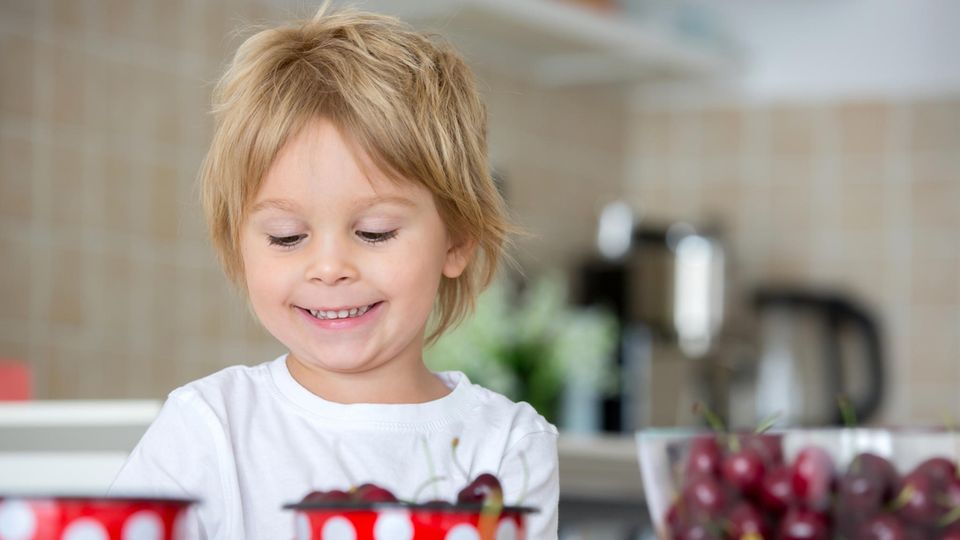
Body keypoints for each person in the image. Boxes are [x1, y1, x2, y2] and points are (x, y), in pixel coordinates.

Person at [108, 4, 559, 539]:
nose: (328, 268)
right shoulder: (209, 427)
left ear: (457, 239)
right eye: (287, 237)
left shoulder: (508, 444)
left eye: (374, 232)